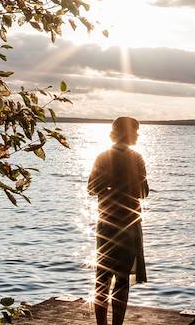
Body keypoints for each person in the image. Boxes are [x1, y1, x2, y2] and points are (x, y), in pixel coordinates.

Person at [86, 117, 149, 325]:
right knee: (122, 279)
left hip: (105, 222)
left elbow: (91, 188)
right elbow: (143, 192)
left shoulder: (102, 157)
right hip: (129, 224)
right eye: (136, 132)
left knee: (102, 277)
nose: (138, 136)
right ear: (129, 133)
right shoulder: (137, 158)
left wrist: (110, 186)